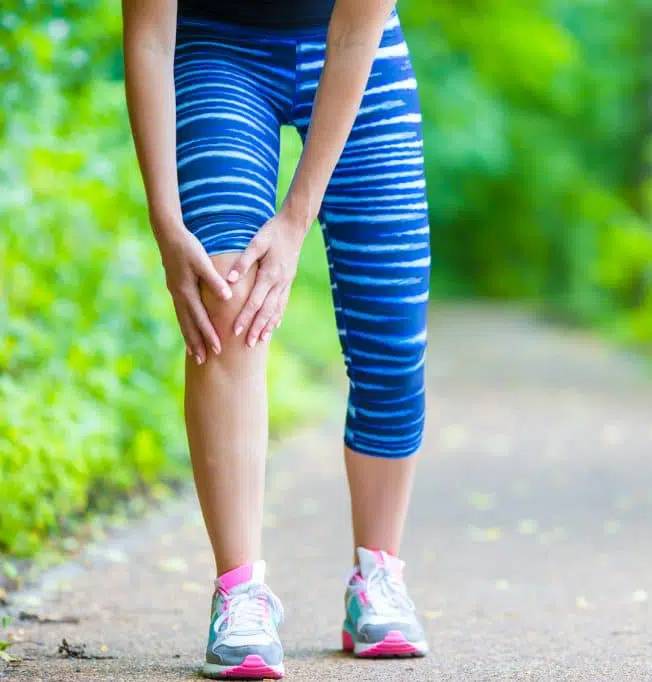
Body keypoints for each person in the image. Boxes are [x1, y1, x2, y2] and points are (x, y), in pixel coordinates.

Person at [121, 0, 430, 676]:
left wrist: (296, 218)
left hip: (358, 49)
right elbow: (148, 37)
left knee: (393, 331)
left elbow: (355, 28)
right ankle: (240, 593)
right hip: (217, 50)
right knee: (224, 299)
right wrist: (166, 222)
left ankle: (377, 579)